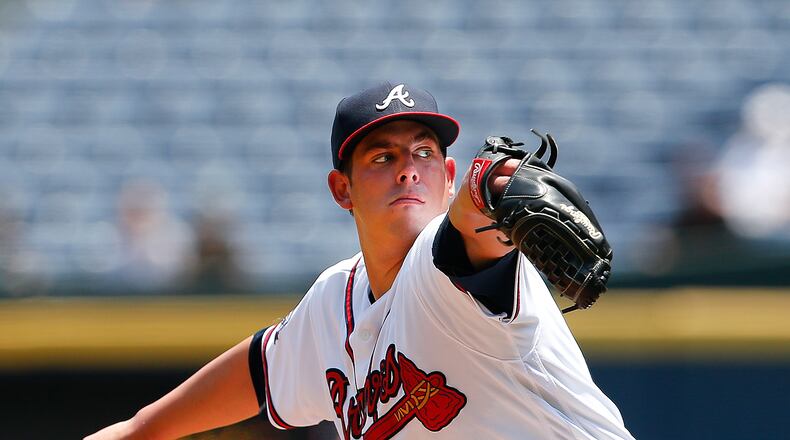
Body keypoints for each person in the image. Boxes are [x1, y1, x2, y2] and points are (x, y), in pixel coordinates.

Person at [86, 82, 634, 440]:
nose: (407, 170)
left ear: (446, 178)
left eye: (424, 153)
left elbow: (473, 217)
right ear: (341, 189)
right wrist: (133, 432)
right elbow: (250, 378)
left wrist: (490, 179)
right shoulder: (332, 302)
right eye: (382, 157)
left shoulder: (445, 265)